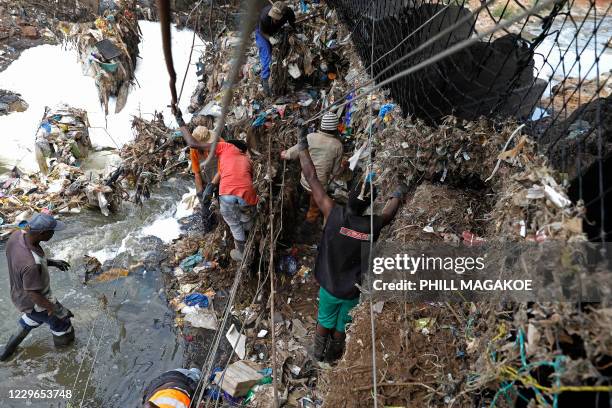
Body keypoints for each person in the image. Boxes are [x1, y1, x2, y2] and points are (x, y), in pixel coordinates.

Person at [295, 127, 407, 363]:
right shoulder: (373, 224)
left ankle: (318, 353)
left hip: (328, 283)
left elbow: (312, 177)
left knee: (324, 318)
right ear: (367, 207)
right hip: (351, 289)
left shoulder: (332, 213)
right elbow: (389, 212)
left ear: (349, 200)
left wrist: (303, 146)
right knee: (341, 323)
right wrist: (398, 191)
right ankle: (335, 353)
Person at [175, 110, 258, 261]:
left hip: (224, 183)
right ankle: (246, 233)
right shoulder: (243, 157)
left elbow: (222, 169)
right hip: (241, 191)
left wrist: (212, 186)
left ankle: (242, 250)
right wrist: (201, 194)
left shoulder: (221, 144)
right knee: (242, 212)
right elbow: (197, 173)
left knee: (232, 219)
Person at [1, 213, 74, 361]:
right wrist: (55, 309)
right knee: (63, 324)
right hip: (35, 300)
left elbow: (30, 259)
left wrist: (52, 262)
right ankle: (64, 361)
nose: (53, 234)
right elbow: (34, 294)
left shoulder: (17, 236)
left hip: (19, 295)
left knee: (31, 319)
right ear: (42, 233)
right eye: (52, 231)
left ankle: (4, 356)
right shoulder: (31, 264)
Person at [281, 112, 343, 226]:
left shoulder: (310, 137)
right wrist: (344, 167)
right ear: (335, 129)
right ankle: (309, 224)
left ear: (321, 125)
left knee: (306, 195)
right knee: (314, 208)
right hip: (319, 187)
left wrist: (284, 153)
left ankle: (302, 208)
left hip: (305, 180)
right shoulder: (337, 145)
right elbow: (336, 172)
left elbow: (291, 153)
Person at [256, 1, 296, 96]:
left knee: (282, 53)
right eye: (273, 17)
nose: (274, 19)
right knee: (267, 54)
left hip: (275, 30)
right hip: (262, 33)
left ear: (283, 14)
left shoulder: (288, 12)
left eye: (276, 17)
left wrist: (293, 34)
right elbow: (262, 31)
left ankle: (282, 79)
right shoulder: (264, 16)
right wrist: (269, 38)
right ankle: (265, 83)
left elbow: (292, 23)